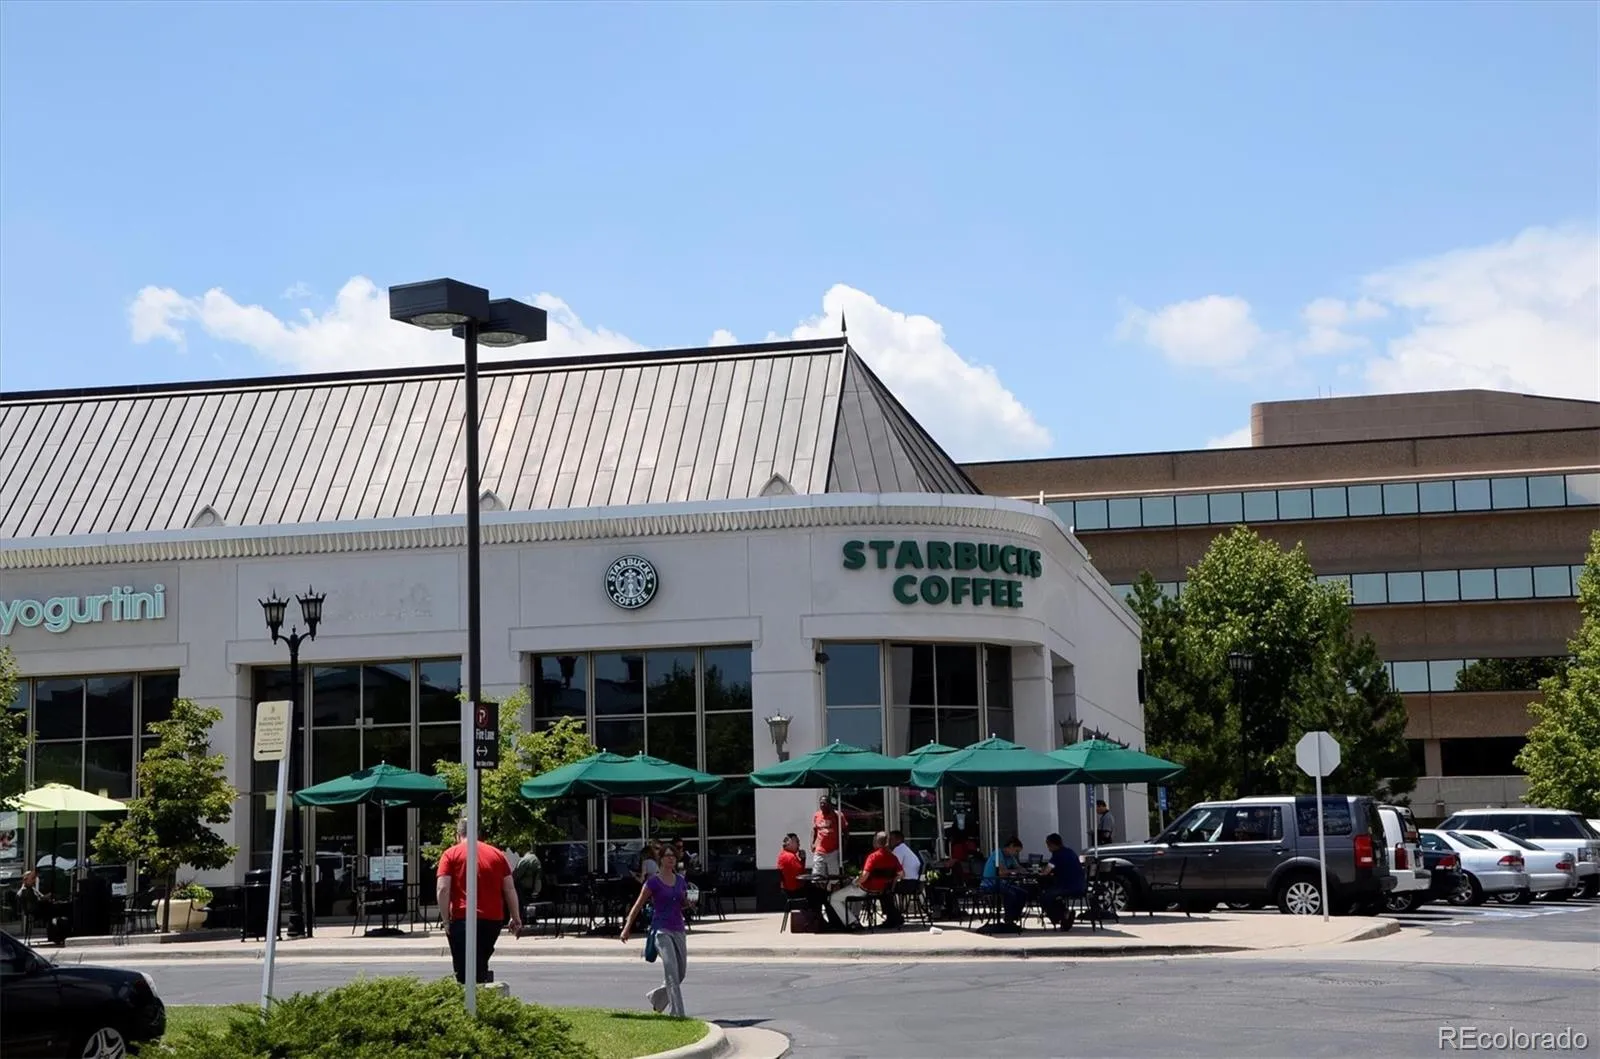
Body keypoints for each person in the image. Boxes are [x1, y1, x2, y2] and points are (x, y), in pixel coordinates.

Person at [436, 818, 521, 985]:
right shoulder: (497, 855)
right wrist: (515, 917)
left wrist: (446, 920)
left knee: (465, 973)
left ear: (457, 835)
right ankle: (482, 990)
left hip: (463, 918)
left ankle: (474, 997)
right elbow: (509, 889)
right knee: (479, 964)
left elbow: (443, 889)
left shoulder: (450, 854)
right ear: (477, 833)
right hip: (492, 920)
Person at [621, 846, 691, 1017]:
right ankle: (677, 1014)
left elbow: (682, 903)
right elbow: (637, 905)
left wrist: (689, 903)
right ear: (661, 859)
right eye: (667, 856)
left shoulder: (680, 880)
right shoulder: (653, 882)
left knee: (680, 973)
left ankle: (657, 999)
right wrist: (627, 927)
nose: (671, 858)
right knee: (671, 972)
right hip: (661, 930)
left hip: (678, 929)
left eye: (673, 856)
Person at [828, 831, 903, 929]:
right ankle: (854, 917)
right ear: (887, 842)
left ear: (875, 842)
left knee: (833, 898)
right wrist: (889, 881)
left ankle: (852, 922)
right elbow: (901, 874)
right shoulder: (893, 857)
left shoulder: (873, 856)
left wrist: (855, 882)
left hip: (866, 890)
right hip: (881, 891)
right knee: (851, 893)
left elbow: (864, 876)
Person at [778, 833, 843, 931]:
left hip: (791, 891)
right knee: (825, 896)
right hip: (796, 891)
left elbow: (799, 873)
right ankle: (830, 924)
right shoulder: (789, 857)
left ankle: (820, 923)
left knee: (820, 893)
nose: (799, 844)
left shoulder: (784, 855)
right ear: (789, 843)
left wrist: (802, 860)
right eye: (797, 842)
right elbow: (800, 874)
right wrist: (803, 860)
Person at [1039, 833, 1086, 929]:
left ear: (1052, 844)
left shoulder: (1057, 855)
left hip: (1066, 887)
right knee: (1052, 895)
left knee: (1044, 896)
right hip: (1081, 886)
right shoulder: (1070, 852)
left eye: (1048, 845)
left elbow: (1046, 872)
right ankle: (1064, 914)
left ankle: (1062, 916)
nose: (1048, 848)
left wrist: (1041, 871)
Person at [982, 835, 1028, 926]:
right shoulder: (998, 854)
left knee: (1023, 893)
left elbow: (1019, 868)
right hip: (990, 883)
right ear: (1011, 846)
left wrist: (1022, 870)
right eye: (1016, 851)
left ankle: (1014, 917)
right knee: (1011, 893)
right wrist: (1016, 871)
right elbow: (1002, 872)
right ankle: (1008, 919)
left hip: (1002, 883)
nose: (1016, 854)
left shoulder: (1011, 857)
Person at [811, 795, 846, 878]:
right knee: (817, 877)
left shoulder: (838, 815)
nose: (822, 805)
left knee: (834, 878)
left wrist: (844, 846)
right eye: (821, 803)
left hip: (833, 851)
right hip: (819, 852)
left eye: (824, 803)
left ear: (829, 804)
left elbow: (845, 831)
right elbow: (814, 830)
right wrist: (812, 843)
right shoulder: (817, 815)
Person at [512, 847, 543, 912]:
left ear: (523, 848)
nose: (517, 852)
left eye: (518, 849)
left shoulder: (525, 860)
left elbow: (516, 876)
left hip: (525, 889)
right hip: (535, 887)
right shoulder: (535, 858)